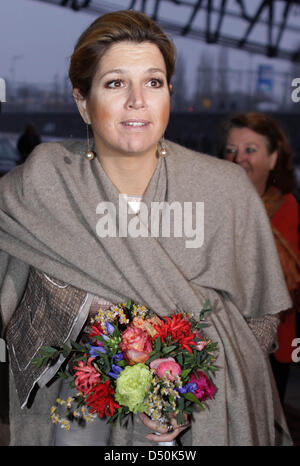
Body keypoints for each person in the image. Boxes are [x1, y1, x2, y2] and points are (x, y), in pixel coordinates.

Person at [0, 11, 293, 446]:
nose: (138, 100)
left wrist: (194, 391)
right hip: (71, 416)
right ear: (82, 101)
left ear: (169, 93)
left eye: (153, 82)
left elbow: (262, 315)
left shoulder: (224, 189)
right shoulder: (40, 186)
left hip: (202, 419)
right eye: (116, 83)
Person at [220, 112, 300, 403]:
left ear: (273, 159)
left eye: (250, 150)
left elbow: (284, 275)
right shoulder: (209, 205)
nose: (238, 158)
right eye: (231, 150)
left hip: (276, 342)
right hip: (219, 340)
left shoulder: (287, 207)